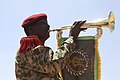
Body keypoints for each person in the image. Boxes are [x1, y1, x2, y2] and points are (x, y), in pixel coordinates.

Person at [15, 13, 86, 80]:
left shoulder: (39, 49)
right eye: (43, 23)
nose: (48, 26)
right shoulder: (28, 48)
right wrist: (71, 38)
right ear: (31, 29)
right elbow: (54, 65)